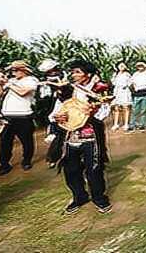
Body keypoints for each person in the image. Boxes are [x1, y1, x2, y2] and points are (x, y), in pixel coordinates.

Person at [52, 59, 112, 214]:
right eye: (73, 72)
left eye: (77, 72)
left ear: (88, 74)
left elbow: (105, 111)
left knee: (94, 167)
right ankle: (79, 197)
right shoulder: (67, 90)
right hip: (70, 135)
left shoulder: (99, 88)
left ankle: (99, 198)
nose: (74, 75)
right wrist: (57, 117)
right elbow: (57, 110)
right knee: (71, 169)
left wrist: (92, 113)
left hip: (91, 135)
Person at [0, 60, 39, 174]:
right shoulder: (12, 80)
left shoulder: (32, 80)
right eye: (12, 70)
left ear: (24, 70)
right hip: (7, 115)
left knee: (26, 141)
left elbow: (23, 92)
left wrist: (8, 83)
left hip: (23, 115)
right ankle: (4, 164)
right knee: (5, 142)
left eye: (16, 70)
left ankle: (26, 161)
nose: (13, 72)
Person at [127, 62, 146, 132]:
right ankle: (132, 125)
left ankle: (142, 125)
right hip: (137, 94)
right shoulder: (135, 74)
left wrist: (143, 64)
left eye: (141, 66)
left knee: (144, 111)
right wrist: (133, 89)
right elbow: (130, 83)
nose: (140, 67)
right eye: (138, 66)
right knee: (134, 110)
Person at [110, 62, 132, 131]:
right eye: (120, 65)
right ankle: (116, 124)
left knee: (126, 108)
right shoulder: (115, 74)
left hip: (125, 92)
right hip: (117, 92)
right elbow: (113, 83)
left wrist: (125, 86)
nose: (121, 66)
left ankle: (126, 124)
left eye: (123, 65)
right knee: (116, 108)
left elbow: (130, 83)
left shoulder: (127, 74)